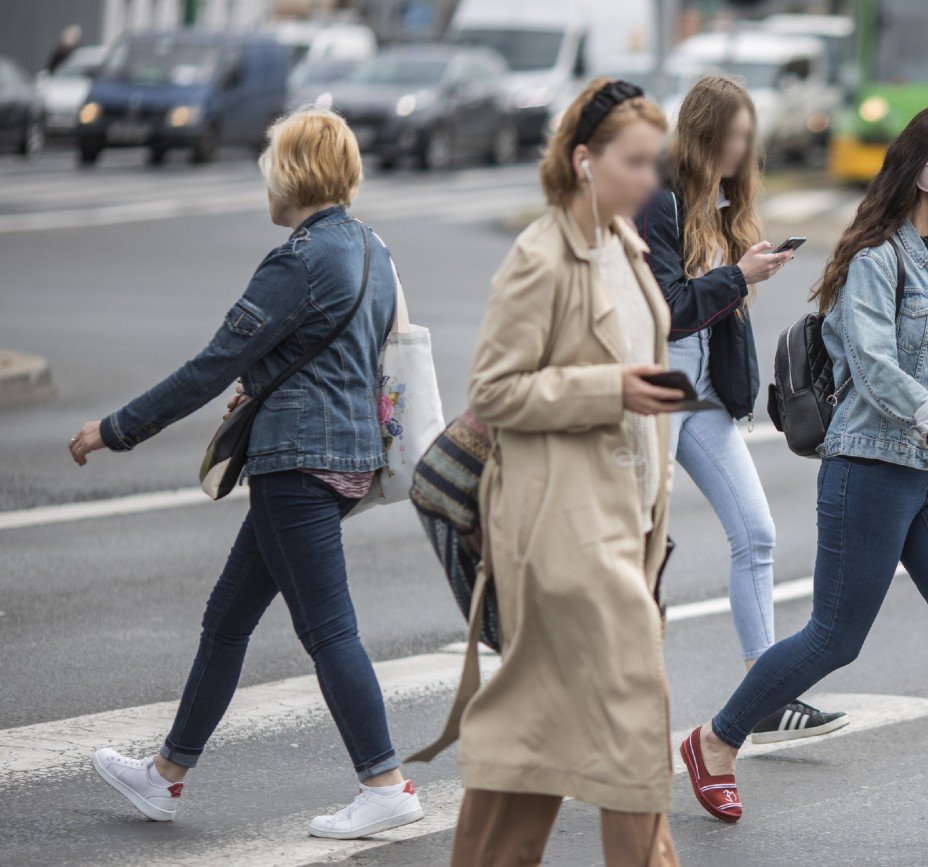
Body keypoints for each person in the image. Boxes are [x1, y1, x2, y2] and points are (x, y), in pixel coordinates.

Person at [678, 104, 928, 849]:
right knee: (834, 637)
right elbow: (877, 369)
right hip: (871, 470)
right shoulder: (874, 257)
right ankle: (716, 741)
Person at [67, 108, 425, 840]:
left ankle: (384, 780)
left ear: (294, 173)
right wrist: (268, 378)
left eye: (270, 161)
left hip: (298, 460)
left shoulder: (299, 259)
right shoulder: (372, 249)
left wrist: (116, 429)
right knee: (227, 618)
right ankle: (166, 775)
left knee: (329, 629)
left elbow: (209, 365)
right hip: (348, 454)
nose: (265, 174)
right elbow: (355, 352)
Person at [420, 79, 680, 866]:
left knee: (540, 731)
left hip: (621, 522)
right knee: (633, 722)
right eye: (634, 162)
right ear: (582, 160)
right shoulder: (542, 255)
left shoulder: (625, 248)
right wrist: (611, 389)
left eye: (653, 163)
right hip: (560, 531)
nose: (649, 180)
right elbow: (493, 391)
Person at [636, 75, 847, 743]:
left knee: (756, 533)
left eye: (746, 140)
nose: (739, 151)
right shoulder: (659, 200)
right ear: (700, 134)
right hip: (655, 394)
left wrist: (745, 274)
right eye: (730, 138)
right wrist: (739, 276)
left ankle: (763, 692)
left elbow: (717, 309)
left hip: (704, 398)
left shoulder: (722, 203)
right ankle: (600, 697)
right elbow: (666, 311)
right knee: (636, 550)